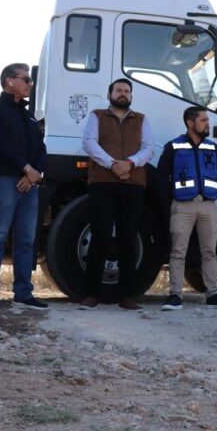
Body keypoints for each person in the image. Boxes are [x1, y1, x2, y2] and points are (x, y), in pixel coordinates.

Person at [0, 63, 49, 310]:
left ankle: (23, 294)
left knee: (26, 240)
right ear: (9, 81)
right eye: (26, 79)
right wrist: (25, 167)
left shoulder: (29, 116)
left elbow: (41, 147)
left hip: (29, 185)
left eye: (30, 80)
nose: (30, 83)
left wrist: (34, 173)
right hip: (5, 182)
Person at [80, 78, 154, 311]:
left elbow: (149, 147)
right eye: (119, 90)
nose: (123, 94)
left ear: (131, 96)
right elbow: (89, 142)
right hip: (102, 181)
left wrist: (129, 164)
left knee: (128, 237)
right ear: (109, 93)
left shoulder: (141, 119)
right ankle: (91, 294)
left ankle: (127, 296)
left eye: (127, 91)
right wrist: (113, 164)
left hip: (133, 183)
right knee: (100, 235)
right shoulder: (97, 116)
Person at [157, 106, 217, 310]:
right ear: (190, 122)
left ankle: (213, 293)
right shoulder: (174, 146)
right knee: (178, 251)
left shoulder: (213, 148)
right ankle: (175, 295)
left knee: (210, 251)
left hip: (208, 205)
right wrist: (173, 198)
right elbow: (162, 176)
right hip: (183, 205)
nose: (208, 124)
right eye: (203, 120)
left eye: (207, 120)